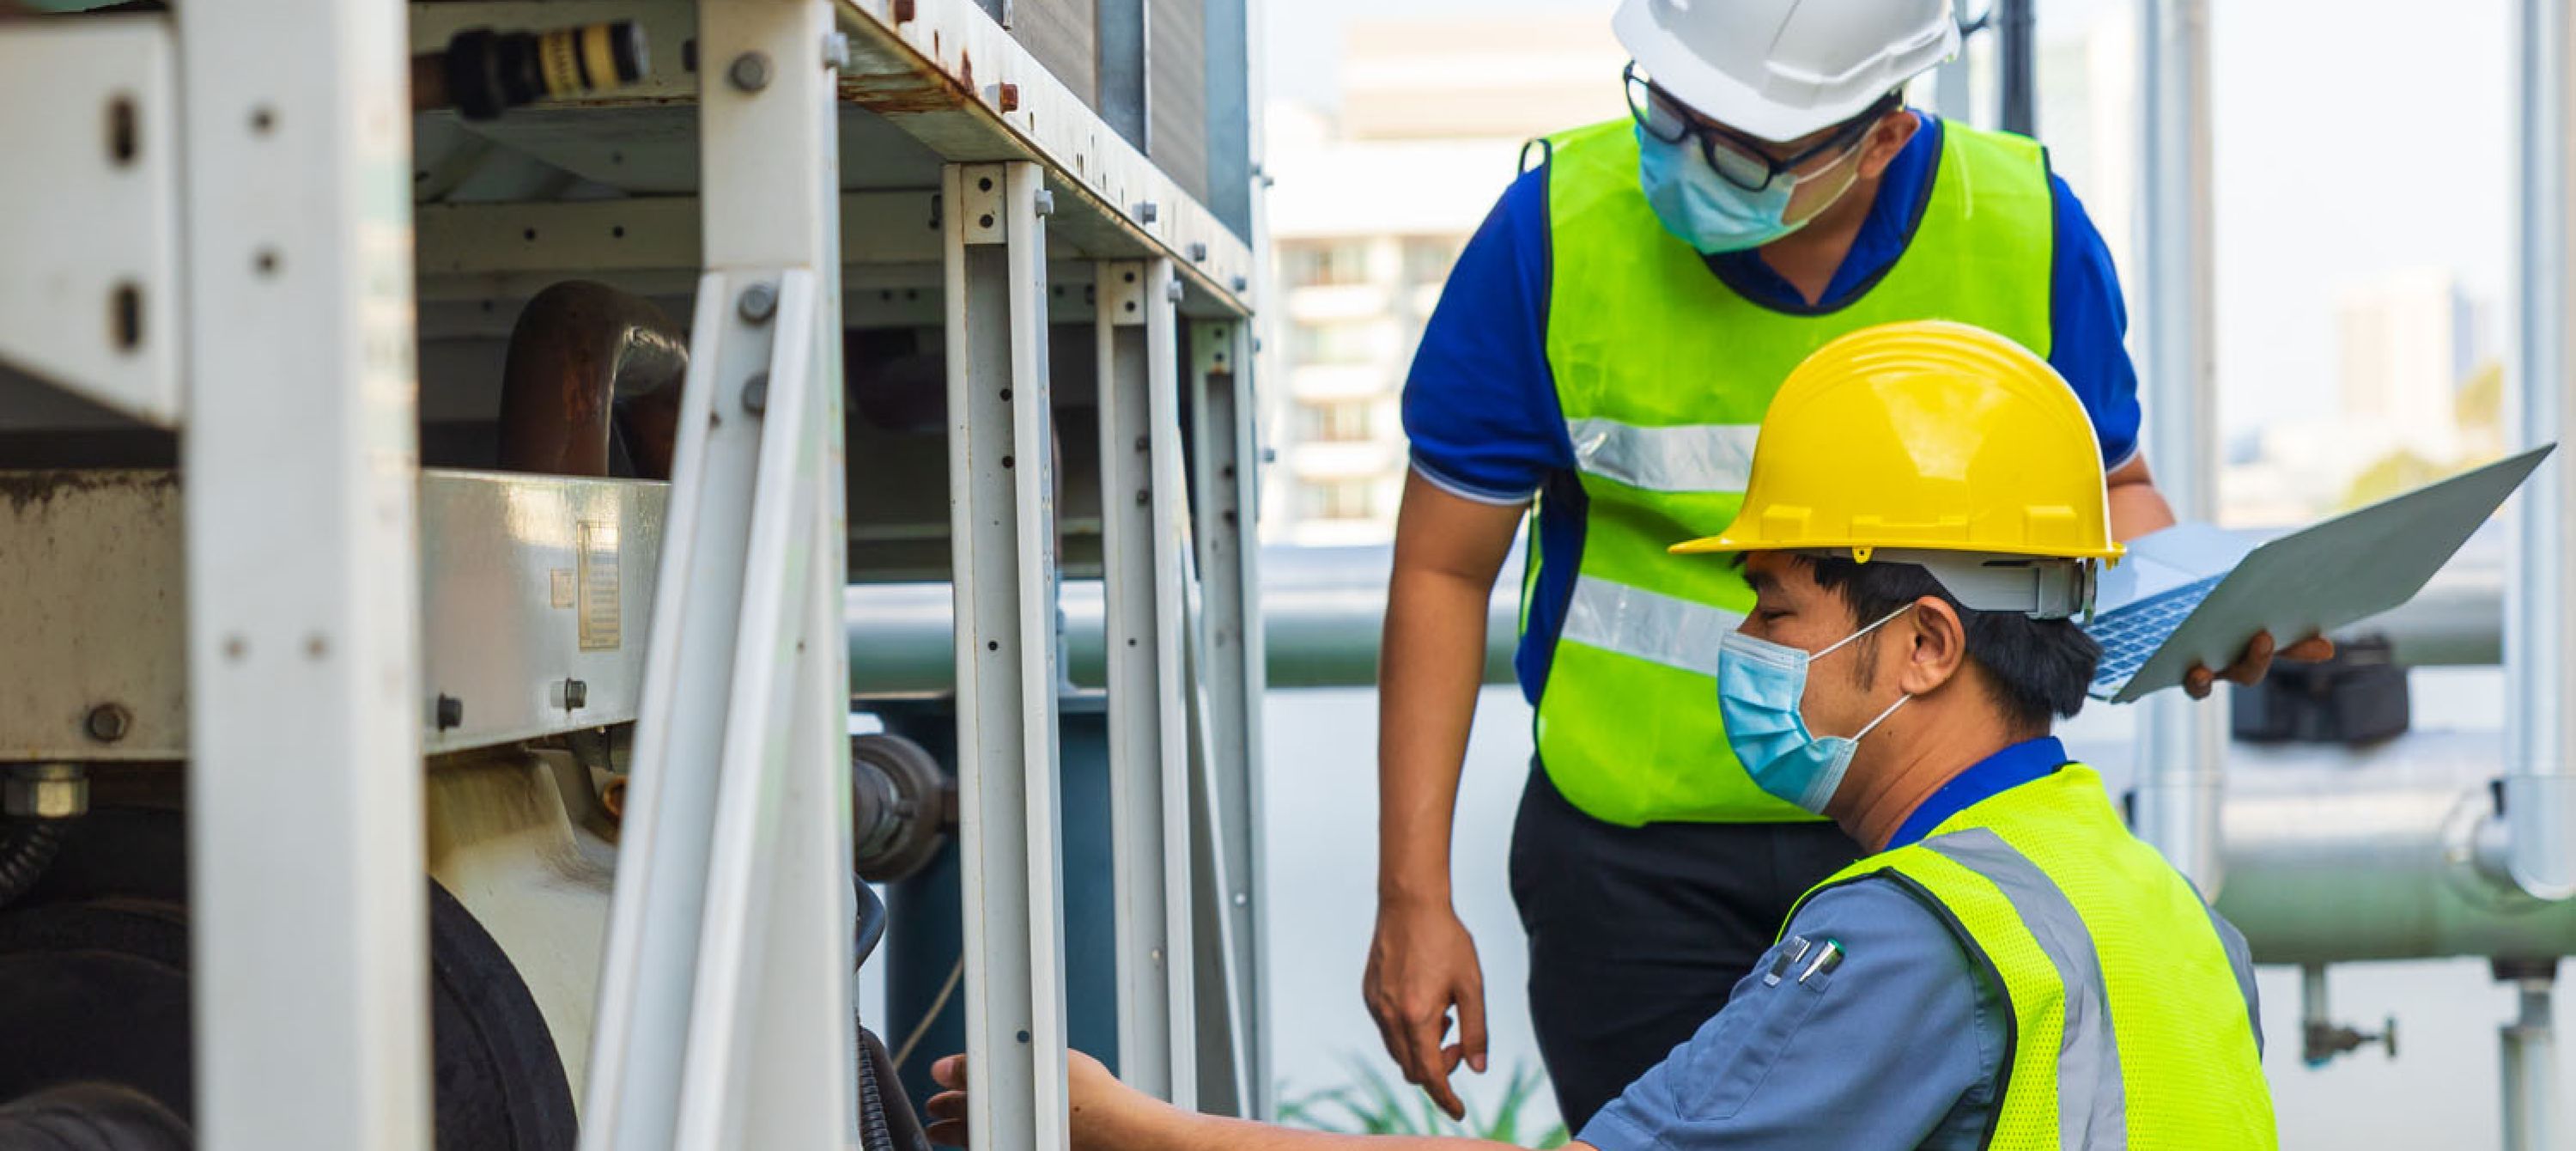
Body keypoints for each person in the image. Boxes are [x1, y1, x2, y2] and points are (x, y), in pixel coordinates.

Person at [927, 321, 2278, 1151]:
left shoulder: (1921, 938)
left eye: (1776, 605)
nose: (1746, 650)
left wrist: (1129, 1134)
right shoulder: (2160, 909)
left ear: (1923, 644)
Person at [1367, 0, 2324, 1128]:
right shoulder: (1554, 231)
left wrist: (2204, 605)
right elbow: (1441, 569)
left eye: (1740, 147)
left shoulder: (2021, 225)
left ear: (1884, 137)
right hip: (1635, 873)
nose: (1682, 158)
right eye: (1666, 110)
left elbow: (2109, 496)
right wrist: (1412, 895)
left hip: (1931, 828)